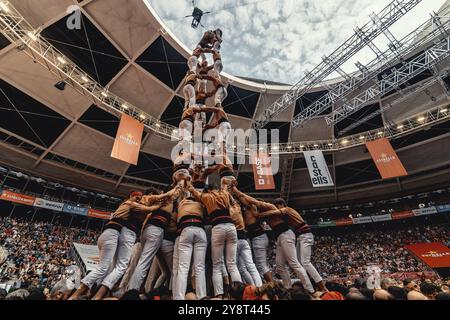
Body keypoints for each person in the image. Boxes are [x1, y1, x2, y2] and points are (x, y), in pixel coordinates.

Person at [69, 192, 162, 300]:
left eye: (140, 197)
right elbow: (147, 209)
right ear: (130, 197)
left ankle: (90, 293)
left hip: (110, 233)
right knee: (111, 267)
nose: (138, 198)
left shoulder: (126, 206)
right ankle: (83, 295)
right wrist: (159, 205)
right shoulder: (130, 203)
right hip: (113, 234)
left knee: (108, 267)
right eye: (136, 196)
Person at [231, 192, 315, 294]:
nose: (256, 207)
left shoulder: (273, 207)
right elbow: (250, 205)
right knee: (280, 266)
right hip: (279, 236)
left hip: (285, 234)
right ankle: (287, 289)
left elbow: (252, 202)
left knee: (294, 263)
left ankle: (309, 289)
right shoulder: (263, 214)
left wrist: (237, 192)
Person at [186, 170, 242, 298]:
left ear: (208, 190)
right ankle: (239, 294)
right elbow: (224, 185)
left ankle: (219, 295)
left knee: (217, 265)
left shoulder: (206, 196)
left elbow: (193, 191)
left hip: (218, 227)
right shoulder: (225, 194)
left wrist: (187, 182)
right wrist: (227, 183)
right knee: (232, 264)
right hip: (231, 227)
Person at [126, 186, 180, 292]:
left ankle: (133, 289)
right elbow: (173, 194)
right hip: (156, 231)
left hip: (146, 231)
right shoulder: (167, 200)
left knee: (143, 262)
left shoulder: (155, 200)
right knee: (144, 263)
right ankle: (133, 290)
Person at [271, 198, 327, 292]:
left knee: (305, 262)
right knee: (298, 263)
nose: (276, 208)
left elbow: (277, 212)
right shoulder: (285, 214)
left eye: (277, 206)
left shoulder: (287, 209)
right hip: (300, 237)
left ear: (281, 204)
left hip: (306, 235)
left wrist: (262, 214)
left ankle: (321, 285)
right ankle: (311, 284)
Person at [172, 186, 208, 300]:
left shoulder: (182, 204)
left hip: (186, 229)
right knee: (200, 267)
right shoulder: (200, 205)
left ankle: (179, 297)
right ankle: (202, 296)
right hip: (201, 231)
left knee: (183, 267)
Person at [232, 186, 273, 282]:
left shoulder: (252, 209)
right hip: (254, 237)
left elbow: (242, 197)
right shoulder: (246, 210)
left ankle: (273, 287)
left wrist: (234, 189)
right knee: (256, 265)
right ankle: (265, 285)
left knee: (261, 266)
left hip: (259, 237)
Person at [229, 196, 262, 287]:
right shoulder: (241, 211)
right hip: (244, 240)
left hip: (235, 241)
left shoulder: (230, 211)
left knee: (234, 267)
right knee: (248, 267)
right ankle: (258, 288)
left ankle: (239, 291)